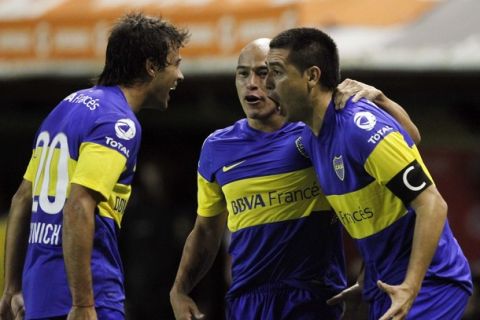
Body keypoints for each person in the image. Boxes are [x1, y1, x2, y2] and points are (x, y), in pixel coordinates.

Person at [170, 38, 421, 320]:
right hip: (246, 300)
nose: (252, 83)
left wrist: (380, 98)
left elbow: (410, 138)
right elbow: (205, 230)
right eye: (243, 73)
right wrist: (180, 290)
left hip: (314, 296)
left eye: (263, 73)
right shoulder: (215, 147)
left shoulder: (316, 130)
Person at [265, 27, 473, 320]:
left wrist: (410, 288)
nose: (268, 84)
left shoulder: (358, 127)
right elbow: (410, 139)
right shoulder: (311, 138)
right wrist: (366, 276)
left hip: (430, 284)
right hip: (383, 285)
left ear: (312, 76)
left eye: (277, 72)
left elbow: (432, 204)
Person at [0, 12, 188, 320]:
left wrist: (11, 288)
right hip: (88, 295)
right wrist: (84, 303)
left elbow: (22, 199)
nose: (180, 76)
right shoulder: (118, 123)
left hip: (39, 295)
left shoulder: (66, 107)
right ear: (151, 67)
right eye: (175, 63)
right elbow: (79, 203)